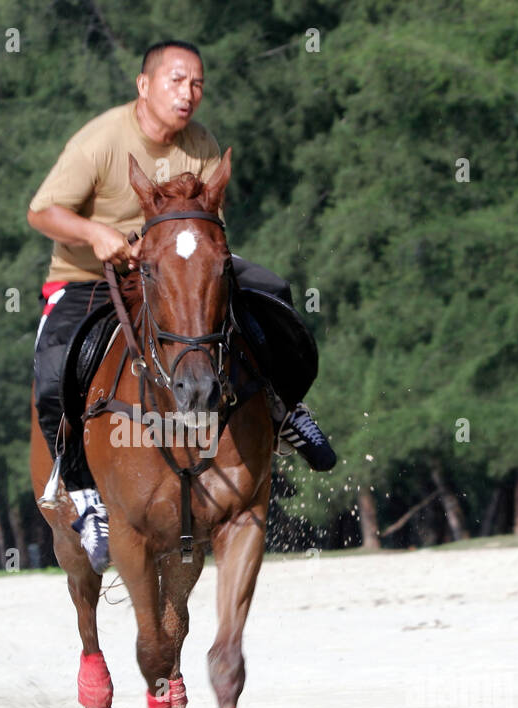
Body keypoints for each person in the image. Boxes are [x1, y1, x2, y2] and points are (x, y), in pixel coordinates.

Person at [28, 39, 336, 573]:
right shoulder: (101, 140)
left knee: (273, 293)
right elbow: (41, 211)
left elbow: (209, 225)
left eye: (196, 83)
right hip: (89, 278)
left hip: (175, 272)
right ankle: (84, 495)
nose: (188, 93)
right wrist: (95, 233)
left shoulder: (203, 144)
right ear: (143, 85)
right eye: (176, 80)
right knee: (57, 368)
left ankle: (285, 407)